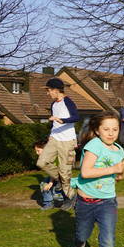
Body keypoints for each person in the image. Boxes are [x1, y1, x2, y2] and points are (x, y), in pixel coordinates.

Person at [70, 111, 124, 247]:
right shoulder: (94, 145)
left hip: (107, 201)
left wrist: (119, 173)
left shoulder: (119, 150)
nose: (111, 133)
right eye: (106, 129)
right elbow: (85, 172)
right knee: (82, 234)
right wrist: (113, 169)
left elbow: (119, 175)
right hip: (85, 201)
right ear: (97, 130)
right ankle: (79, 239)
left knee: (108, 240)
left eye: (115, 129)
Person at [36, 78, 79, 210]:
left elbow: (76, 117)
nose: (47, 93)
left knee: (65, 172)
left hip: (67, 141)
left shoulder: (68, 102)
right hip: (54, 138)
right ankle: (60, 180)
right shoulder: (54, 104)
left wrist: (62, 120)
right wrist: (51, 134)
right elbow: (54, 122)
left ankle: (71, 197)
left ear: (56, 90)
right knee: (41, 162)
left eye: (48, 90)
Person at [34, 139, 65, 210]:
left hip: (61, 177)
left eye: (38, 151)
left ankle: (64, 200)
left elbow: (57, 172)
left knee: (55, 189)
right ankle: (49, 203)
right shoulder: (45, 159)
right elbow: (52, 173)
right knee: (44, 184)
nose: (37, 153)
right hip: (54, 177)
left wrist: (50, 183)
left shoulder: (53, 158)